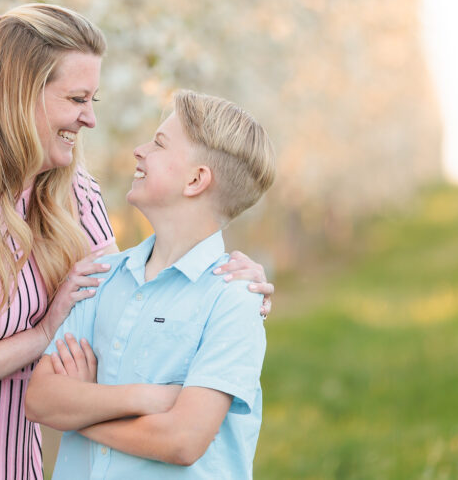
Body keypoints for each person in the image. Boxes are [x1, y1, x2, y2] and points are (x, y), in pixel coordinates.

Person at [0, 5, 272, 479]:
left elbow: (126, 297)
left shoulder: (71, 192)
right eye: (76, 98)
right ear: (18, 95)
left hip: (14, 466)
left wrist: (229, 280)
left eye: (94, 100)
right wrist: (42, 336)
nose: (89, 118)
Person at [25, 89, 275, 479]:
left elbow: (182, 440)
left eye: (159, 143)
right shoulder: (102, 277)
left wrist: (81, 410)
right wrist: (148, 399)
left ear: (196, 179)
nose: (139, 150)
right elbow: (41, 400)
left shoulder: (233, 299)